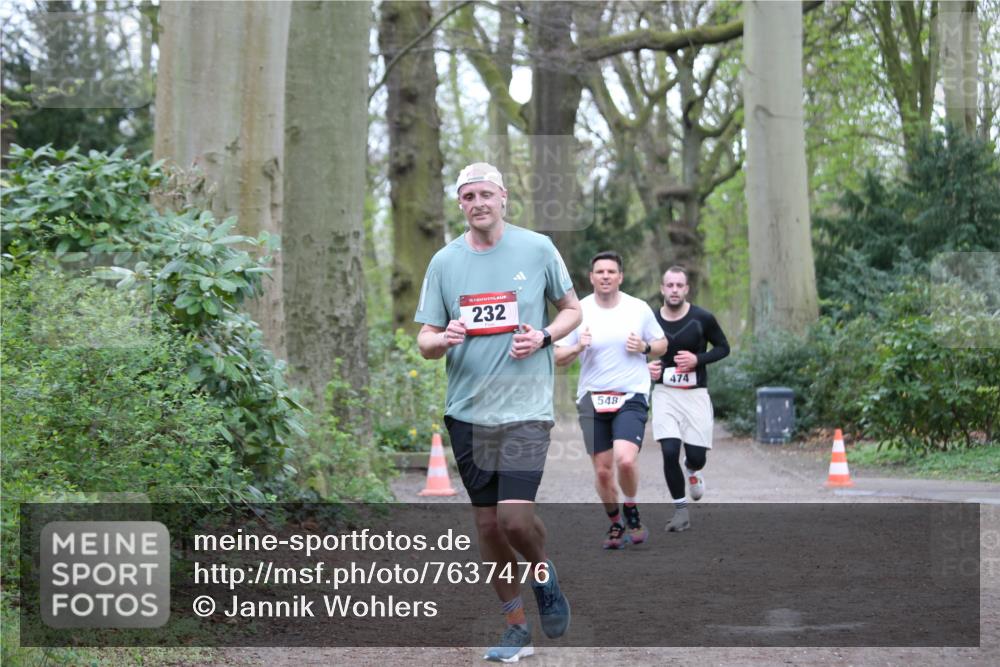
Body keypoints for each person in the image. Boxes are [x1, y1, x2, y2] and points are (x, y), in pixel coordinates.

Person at [415, 162, 581, 663]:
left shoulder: (537, 248)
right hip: (467, 411)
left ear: (504, 197)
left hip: (525, 407)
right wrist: (442, 338)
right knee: (488, 527)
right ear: (460, 204)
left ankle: (544, 578)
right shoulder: (444, 262)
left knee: (513, 518)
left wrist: (546, 335)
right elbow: (423, 339)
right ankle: (515, 627)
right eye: (468, 197)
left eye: (486, 193)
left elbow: (573, 309)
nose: (478, 203)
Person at [555, 251, 666, 549]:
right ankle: (616, 523)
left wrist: (643, 346)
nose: (605, 276)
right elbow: (556, 356)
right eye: (600, 272)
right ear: (591, 278)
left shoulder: (638, 308)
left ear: (620, 277)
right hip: (592, 398)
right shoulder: (577, 311)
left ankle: (631, 506)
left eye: (611, 271)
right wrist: (578, 346)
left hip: (631, 394)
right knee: (603, 471)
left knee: (625, 460)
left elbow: (662, 344)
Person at [648, 266, 730, 533]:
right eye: (669, 285)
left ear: (686, 289)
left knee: (696, 456)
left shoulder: (702, 318)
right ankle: (680, 510)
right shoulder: (649, 319)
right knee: (669, 450)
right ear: (662, 289)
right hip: (664, 394)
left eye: (678, 285)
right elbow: (636, 351)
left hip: (695, 394)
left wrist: (698, 359)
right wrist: (646, 367)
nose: (674, 290)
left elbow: (723, 348)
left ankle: (692, 470)